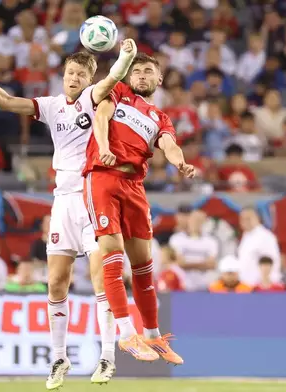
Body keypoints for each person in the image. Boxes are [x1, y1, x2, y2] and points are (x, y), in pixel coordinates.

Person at [0, 40, 138, 388]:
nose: (73, 78)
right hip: (62, 203)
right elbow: (7, 101)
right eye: (70, 72)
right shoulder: (51, 106)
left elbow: (112, 79)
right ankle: (59, 358)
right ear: (62, 76)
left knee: (102, 279)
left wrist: (125, 57)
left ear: (89, 79)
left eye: (80, 74)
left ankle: (107, 357)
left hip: (93, 199)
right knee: (57, 282)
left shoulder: (93, 98)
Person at [83, 53, 195, 364]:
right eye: (138, 71)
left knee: (144, 267)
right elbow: (102, 116)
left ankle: (152, 335)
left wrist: (179, 163)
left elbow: (169, 144)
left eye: (149, 71)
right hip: (103, 176)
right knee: (112, 254)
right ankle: (125, 333)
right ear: (130, 77)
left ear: (159, 80)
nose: (142, 75)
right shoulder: (118, 92)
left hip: (134, 186)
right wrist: (104, 147)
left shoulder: (160, 117)